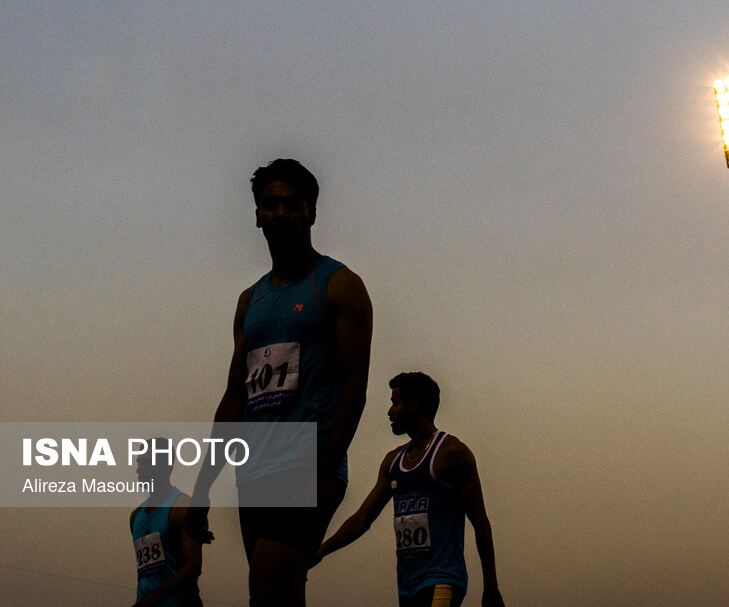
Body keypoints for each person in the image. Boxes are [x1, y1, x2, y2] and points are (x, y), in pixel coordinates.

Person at [189, 158, 373, 606]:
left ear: (312, 212)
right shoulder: (249, 301)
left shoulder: (339, 286)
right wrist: (201, 487)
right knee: (278, 592)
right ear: (257, 216)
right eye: (270, 204)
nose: (281, 213)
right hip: (255, 468)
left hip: (307, 461)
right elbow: (235, 399)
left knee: (268, 587)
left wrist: (326, 470)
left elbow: (355, 388)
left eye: (293, 204)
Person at [316, 372, 505, 607]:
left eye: (395, 402)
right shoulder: (393, 461)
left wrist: (491, 587)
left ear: (414, 407)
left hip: (442, 579)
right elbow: (361, 520)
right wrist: (322, 550)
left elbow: (480, 521)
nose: (389, 411)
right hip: (407, 587)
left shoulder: (452, 454)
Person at [130, 445, 203, 607]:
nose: (139, 469)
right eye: (138, 462)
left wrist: (152, 599)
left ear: (166, 467)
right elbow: (147, 572)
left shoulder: (183, 508)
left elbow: (194, 566)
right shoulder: (136, 516)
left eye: (147, 463)